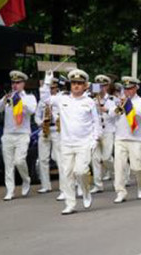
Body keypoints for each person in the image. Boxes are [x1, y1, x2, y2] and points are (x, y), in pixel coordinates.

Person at [43, 69, 101, 215]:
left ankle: (86, 191)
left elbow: (96, 122)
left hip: (84, 143)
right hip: (66, 143)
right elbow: (46, 99)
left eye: (79, 83)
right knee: (66, 174)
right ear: (70, 85)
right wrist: (46, 82)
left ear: (85, 86)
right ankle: (70, 203)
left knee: (80, 171)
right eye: (74, 83)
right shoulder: (62, 99)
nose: (76, 86)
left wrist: (95, 139)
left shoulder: (89, 102)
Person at [0, 70, 37, 201]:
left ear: (23, 84)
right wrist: (4, 100)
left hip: (22, 134)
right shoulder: (8, 97)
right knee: (8, 165)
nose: (15, 85)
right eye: (13, 82)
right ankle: (10, 190)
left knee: (19, 161)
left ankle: (26, 179)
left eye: (18, 83)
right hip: (8, 134)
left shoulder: (29, 98)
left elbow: (32, 110)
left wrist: (19, 101)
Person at [110, 76, 141, 203]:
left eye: (131, 89)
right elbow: (111, 114)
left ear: (136, 88)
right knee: (119, 167)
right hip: (120, 138)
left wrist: (131, 106)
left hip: (135, 139)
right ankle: (120, 192)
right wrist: (119, 106)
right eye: (126, 89)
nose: (128, 91)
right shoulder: (119, 100)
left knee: (137, 167)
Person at [35, 76, 64, 198]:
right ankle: (45, 185)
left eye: (53, 88)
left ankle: (64, 186)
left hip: (56, 130)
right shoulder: (42, 101)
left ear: (57, 88)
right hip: (44, 129)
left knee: (58, 158)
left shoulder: (61, 98)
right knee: (43, 159)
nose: (51, 90)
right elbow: (37, 116)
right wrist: (40, 123)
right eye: (49, 88)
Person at [90, 74, 116, 193]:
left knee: (106, 158)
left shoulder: (112, 99)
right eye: (98, 86)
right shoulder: (90, 98)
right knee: (95, 159)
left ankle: (120, 172)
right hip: (95, 131)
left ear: (107, 86)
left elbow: (117, 113)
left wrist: (106, 110)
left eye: (103, 86)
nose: (101, 88)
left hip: (108, 131)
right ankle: (98, 185)